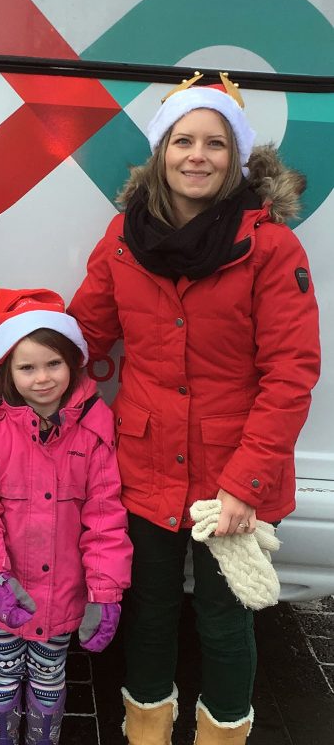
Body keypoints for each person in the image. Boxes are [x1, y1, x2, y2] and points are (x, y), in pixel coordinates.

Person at [69, 73, 321, 745]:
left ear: (236, 158)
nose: (197, 155)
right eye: (183, 140)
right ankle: (144, 731)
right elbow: (83, 335)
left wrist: (247, 483)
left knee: (225, 615)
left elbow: (291, 372)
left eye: (216, 142)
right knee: (147, 609)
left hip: (231, 477)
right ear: (161, 152)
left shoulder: (270, 246)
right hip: (143, 463)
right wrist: (10, 383)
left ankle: (223, 736)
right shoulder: (123, 238)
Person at [0, 288, 132, 745]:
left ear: (73, 363)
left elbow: (106, 516)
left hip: (62, 591)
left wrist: (105, 590)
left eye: (54, 363)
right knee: (2, 669)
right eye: (26, 367)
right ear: (7, 371)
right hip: (2, 588)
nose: (43, 378)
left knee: (51, 676)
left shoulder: (94, 427)